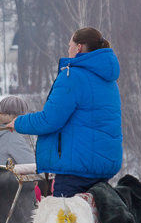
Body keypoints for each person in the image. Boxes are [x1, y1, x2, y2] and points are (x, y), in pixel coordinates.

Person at [12, 27, 123, 198]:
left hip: (75, 170)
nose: (68, 49)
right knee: (92, 221)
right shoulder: (109, 80)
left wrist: (17, 123)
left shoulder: (73, 76)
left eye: (69, 45)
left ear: (78, 47)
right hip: (102, 168)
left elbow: (49, 120)